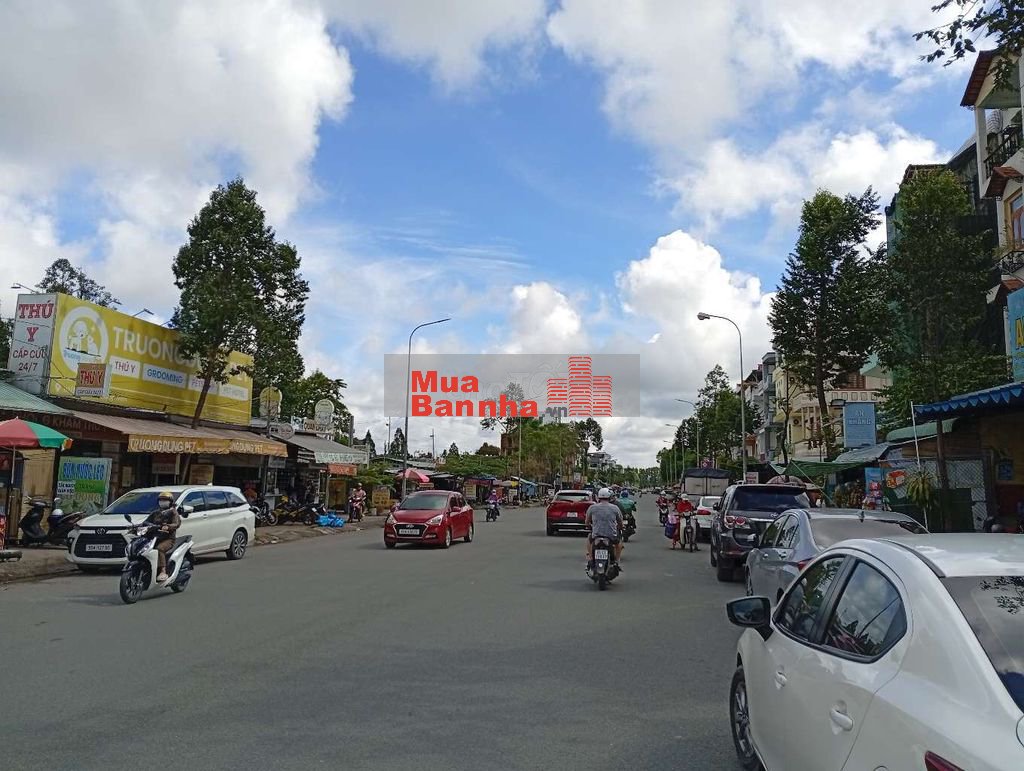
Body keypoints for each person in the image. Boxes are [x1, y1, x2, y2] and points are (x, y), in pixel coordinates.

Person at [146, 491, 181, 583]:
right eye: (161, 500)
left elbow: (176, 524)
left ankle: (163, 571)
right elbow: (146, 522)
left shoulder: (173, 512)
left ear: (170, 502)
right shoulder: (156, 513)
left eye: (165, 500)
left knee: (160, 548)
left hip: (168, 539)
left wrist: (168, 526)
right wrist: (135, 526)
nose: (162, 502)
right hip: (154, 538)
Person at [585, 487, 624, 568]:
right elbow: (620, 522)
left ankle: (591, 558)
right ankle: (617, 561)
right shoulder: (615, 508)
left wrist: (589, 526)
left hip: (596, 535)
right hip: (611, 535)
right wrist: (620, 527)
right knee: (619, 542)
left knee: (589, 538)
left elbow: (587, 522)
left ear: (598, 497)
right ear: (610, 497)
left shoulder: (592, 507)